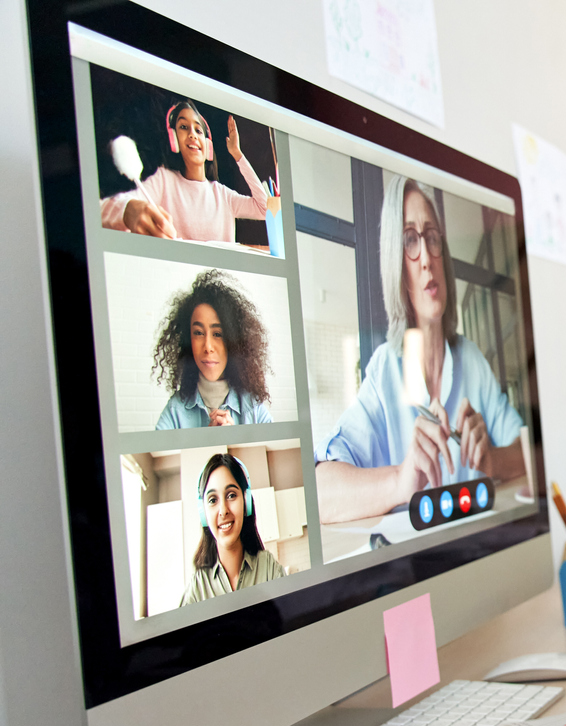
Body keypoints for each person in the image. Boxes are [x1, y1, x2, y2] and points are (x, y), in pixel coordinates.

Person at [315, 176, 525, 524]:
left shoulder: (471, 359)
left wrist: (491, 462)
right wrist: (400, 480)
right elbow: (321, 494)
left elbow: (527, 454)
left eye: (431, 238)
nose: (426, 257)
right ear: (398, 268)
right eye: (410, 241)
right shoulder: (386, 368)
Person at [100, 99, 269, 242]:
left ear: (208, 147)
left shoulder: (224, 195)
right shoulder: (164, 180)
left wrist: (237, 154)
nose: (193, 135)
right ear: (174, 140)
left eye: (198, 130)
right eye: (183, 127)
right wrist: (128, 210)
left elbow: (264, 209)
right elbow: (101, 209)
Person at [152, 269, 273, 428]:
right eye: (198, 333)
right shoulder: (174, 412)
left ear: (232, 341)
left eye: (217, 334)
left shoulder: (254, 409)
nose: (208, 347)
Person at [180, 454, 283, 606]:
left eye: (231, 495)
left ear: (246, 503)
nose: (223, 510)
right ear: (204, 514)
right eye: (213, 500)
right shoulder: (198, 586)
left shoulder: (269, 568)